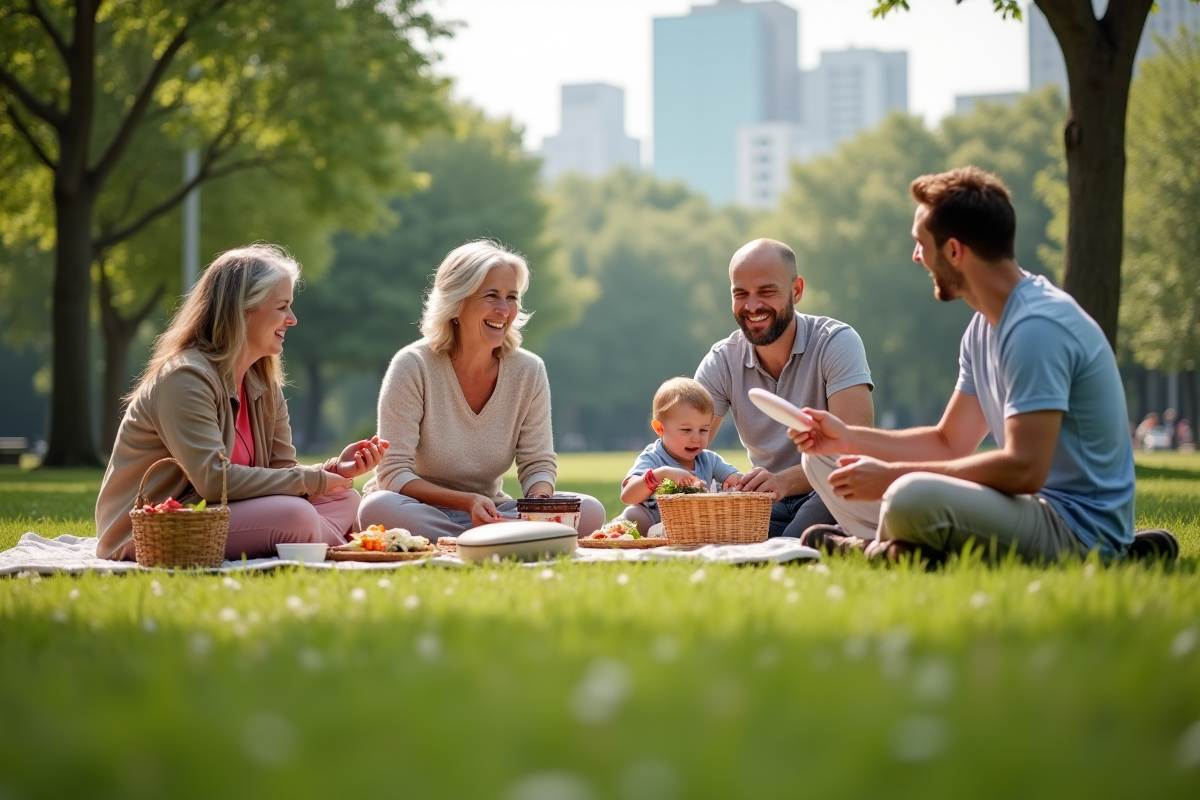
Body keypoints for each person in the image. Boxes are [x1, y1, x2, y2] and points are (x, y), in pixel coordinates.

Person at [792, 166, 1176, 563]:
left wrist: (891, 476)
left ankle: (876, 548)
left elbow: (1025, 469)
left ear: (954, 251)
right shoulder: (983, 326)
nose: (916, 256)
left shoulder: (1036, 328)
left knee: (907, 495)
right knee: (821, 459)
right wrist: (846, 438)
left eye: (921, 243)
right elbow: (948, 442)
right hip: (1022, 508)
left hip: (1074, 527)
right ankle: (904, 547)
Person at [96, 244, 385, 561]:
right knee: (296, 515)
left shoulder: (263, 385)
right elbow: (213, 480)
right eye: (282, 307)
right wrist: (315, 481)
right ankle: (331, 545)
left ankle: (312, 541)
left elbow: (282, 473)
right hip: (156, 528)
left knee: (344, 499)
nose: (292, 319)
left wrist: (333, 470)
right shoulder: (184, 377)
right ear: (243, 310)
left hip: (221, 511)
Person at [358, 240, 605, 538]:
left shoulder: (529, 370)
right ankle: (500, 537)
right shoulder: (413, 365)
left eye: (511, 297)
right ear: (457, 302)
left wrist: (539, 505)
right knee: (377, 508)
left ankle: (484, 535)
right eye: (491, 296)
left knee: (590, 510)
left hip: (493, 510)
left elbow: (537, 463)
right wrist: (468, 502)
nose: (504, 310)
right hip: (416, 507)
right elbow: (393, 472)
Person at [694, 238, 875, 539]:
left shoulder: (836, 342)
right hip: (768, 501)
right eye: (741, 294)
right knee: (710, 535)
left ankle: (796, 543)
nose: (752, 306)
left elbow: (854, 449)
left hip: (828, 490)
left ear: (797, 290)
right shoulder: (722, 360)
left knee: (793, 541)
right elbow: (682, 443)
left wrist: (783, 482)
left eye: (767, 291)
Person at [616, 377, 743, 534]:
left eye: (703, 430)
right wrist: (661, 474)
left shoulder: (709, 460)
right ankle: (654, 535)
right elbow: (628, 496)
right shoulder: (653, 458)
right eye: (686, 430)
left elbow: (735, 478)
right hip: (656, 521)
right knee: (633, 515)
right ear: (660, 429)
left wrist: (740, 482)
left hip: (695, 523)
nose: (696, 438)